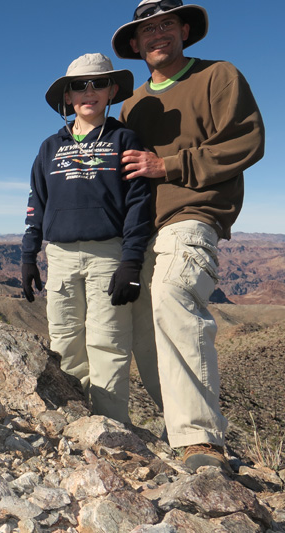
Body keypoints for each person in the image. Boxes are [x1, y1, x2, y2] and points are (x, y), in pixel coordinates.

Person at [113, 0, 265, 472]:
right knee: (138, 323)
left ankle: (201, 440)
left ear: (183, 29)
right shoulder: (133, 104)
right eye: (147, 30)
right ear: (135, 44)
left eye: (165, 25)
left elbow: (247, 141)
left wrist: (169, 166)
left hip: (194, 213)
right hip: (141, 229)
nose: (157, 35)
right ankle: (177, 429)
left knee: (174, 293)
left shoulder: (218, 76)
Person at [21, 53, 157, 425]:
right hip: (60, 258)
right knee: (64, 344)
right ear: (67, 97)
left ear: (112, 90)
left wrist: (130, 260)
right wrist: (28, 256)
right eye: (79, 85)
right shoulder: (49, 148)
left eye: (98, 83)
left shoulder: (124, 139)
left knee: (108, 345)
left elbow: (139, 204)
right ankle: (78, 427)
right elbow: (37, 202)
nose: (89, 92)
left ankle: (113, 430)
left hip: (108, 257)